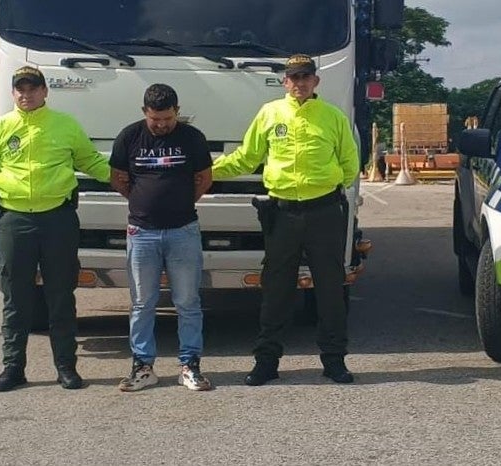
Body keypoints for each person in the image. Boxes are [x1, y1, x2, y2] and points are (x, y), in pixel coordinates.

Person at [213, 54, 360, 385]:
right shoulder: (270, 113)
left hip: (323, 213)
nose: (300, 83)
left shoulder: (332, 117)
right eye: (294, 77)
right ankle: (266, 362)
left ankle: (334, 360)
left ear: (316, 81)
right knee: (276, 290)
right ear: (285, 82)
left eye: (306, 77)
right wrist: (207, 172)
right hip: (282, 214)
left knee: (330, 290)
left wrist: (324, 186)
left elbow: (350, 164)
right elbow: (246, 158)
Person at [0, 65, 110, 393]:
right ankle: (13, 368)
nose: (26, 94)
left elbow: (90, 161)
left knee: (60, 295)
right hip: (15, 220)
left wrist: (126, 177)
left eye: (33, 88)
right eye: (20, 89)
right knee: (15, 297)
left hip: (57, 219)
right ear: (13, 93)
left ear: (45, 91)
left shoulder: (65, 125)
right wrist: (12, 187)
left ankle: (66, 368)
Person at [109, 84, 214, 392]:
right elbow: (117, 178)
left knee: (188, 301)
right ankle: (142, 367)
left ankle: (190, 365)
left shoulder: (192, 138)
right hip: (142, 233)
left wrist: (181, 203)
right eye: (155, 119)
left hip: (184, 231)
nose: (162, 125)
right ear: (145, 112)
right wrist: (141, 201)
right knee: (142, 302)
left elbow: (204, 178)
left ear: (176, 112)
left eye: (168, 118)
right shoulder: (129, 137)